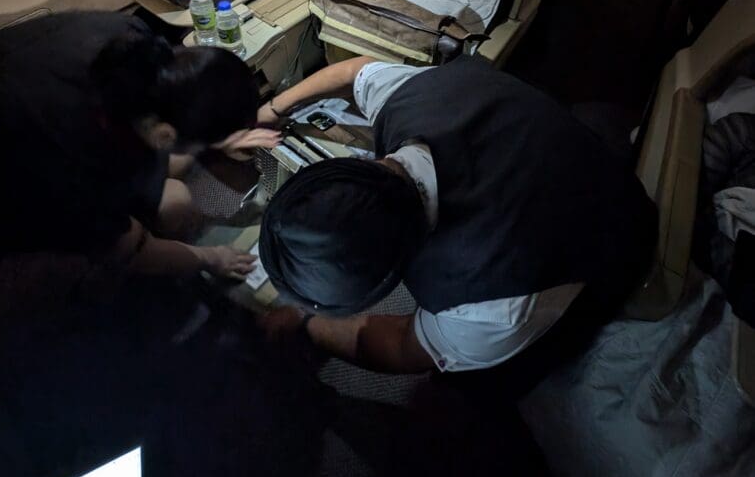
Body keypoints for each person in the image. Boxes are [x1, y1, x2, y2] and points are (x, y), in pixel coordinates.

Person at [256, 55, 657, 380]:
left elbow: (402, 346)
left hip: (619, 238)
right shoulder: (414, 96)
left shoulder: (486, 304)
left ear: (393, 276)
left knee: (480, 390)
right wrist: (273, 108)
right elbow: (352, 70)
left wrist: (306, 323)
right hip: (567, 150)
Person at [0, 11, 279, 278]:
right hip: (12, 194)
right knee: (175, 206)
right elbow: (131, 250)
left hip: (12, 75)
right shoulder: (70, 164)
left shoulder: (131, 41)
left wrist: (215, 138)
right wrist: (212, 258)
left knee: (174, 198)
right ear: (164, 136)